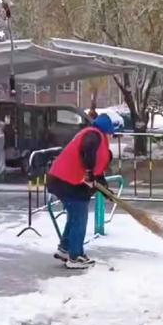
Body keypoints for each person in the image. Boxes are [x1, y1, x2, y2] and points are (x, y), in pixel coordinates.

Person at [47, 114, 117, 269]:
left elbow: (98, 175)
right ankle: (75, 256)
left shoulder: (95, 139)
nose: (112, 138)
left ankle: (66, 249)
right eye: (112, 134)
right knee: (79, 215)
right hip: (66, 181)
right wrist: (89, 170)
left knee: (75, 215)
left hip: (62, 180)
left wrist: (106, 191)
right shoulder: (94, 135)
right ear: (108, 131)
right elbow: (88, 152)